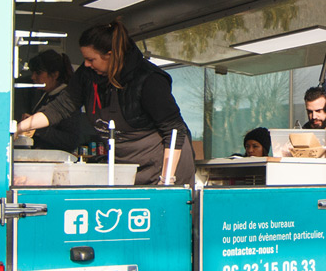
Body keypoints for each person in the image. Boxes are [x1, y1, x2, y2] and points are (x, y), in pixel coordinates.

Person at [16, 18, 194, 185]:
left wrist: (167, 181)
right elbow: (59, 108)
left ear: (110, 55)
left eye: (90, 59)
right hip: (126, 168)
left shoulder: (148, 80)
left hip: (164, 167)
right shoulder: (87, 76)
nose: (85, 64)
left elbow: (173, 130)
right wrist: (19, 128)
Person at [21, 49, 93, 153]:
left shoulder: (67, 99)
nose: (33, 77)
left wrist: (38, 128)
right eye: (33, 72)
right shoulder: (44, 95)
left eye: (38, 73)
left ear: (55, 75)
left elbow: (71, 140)